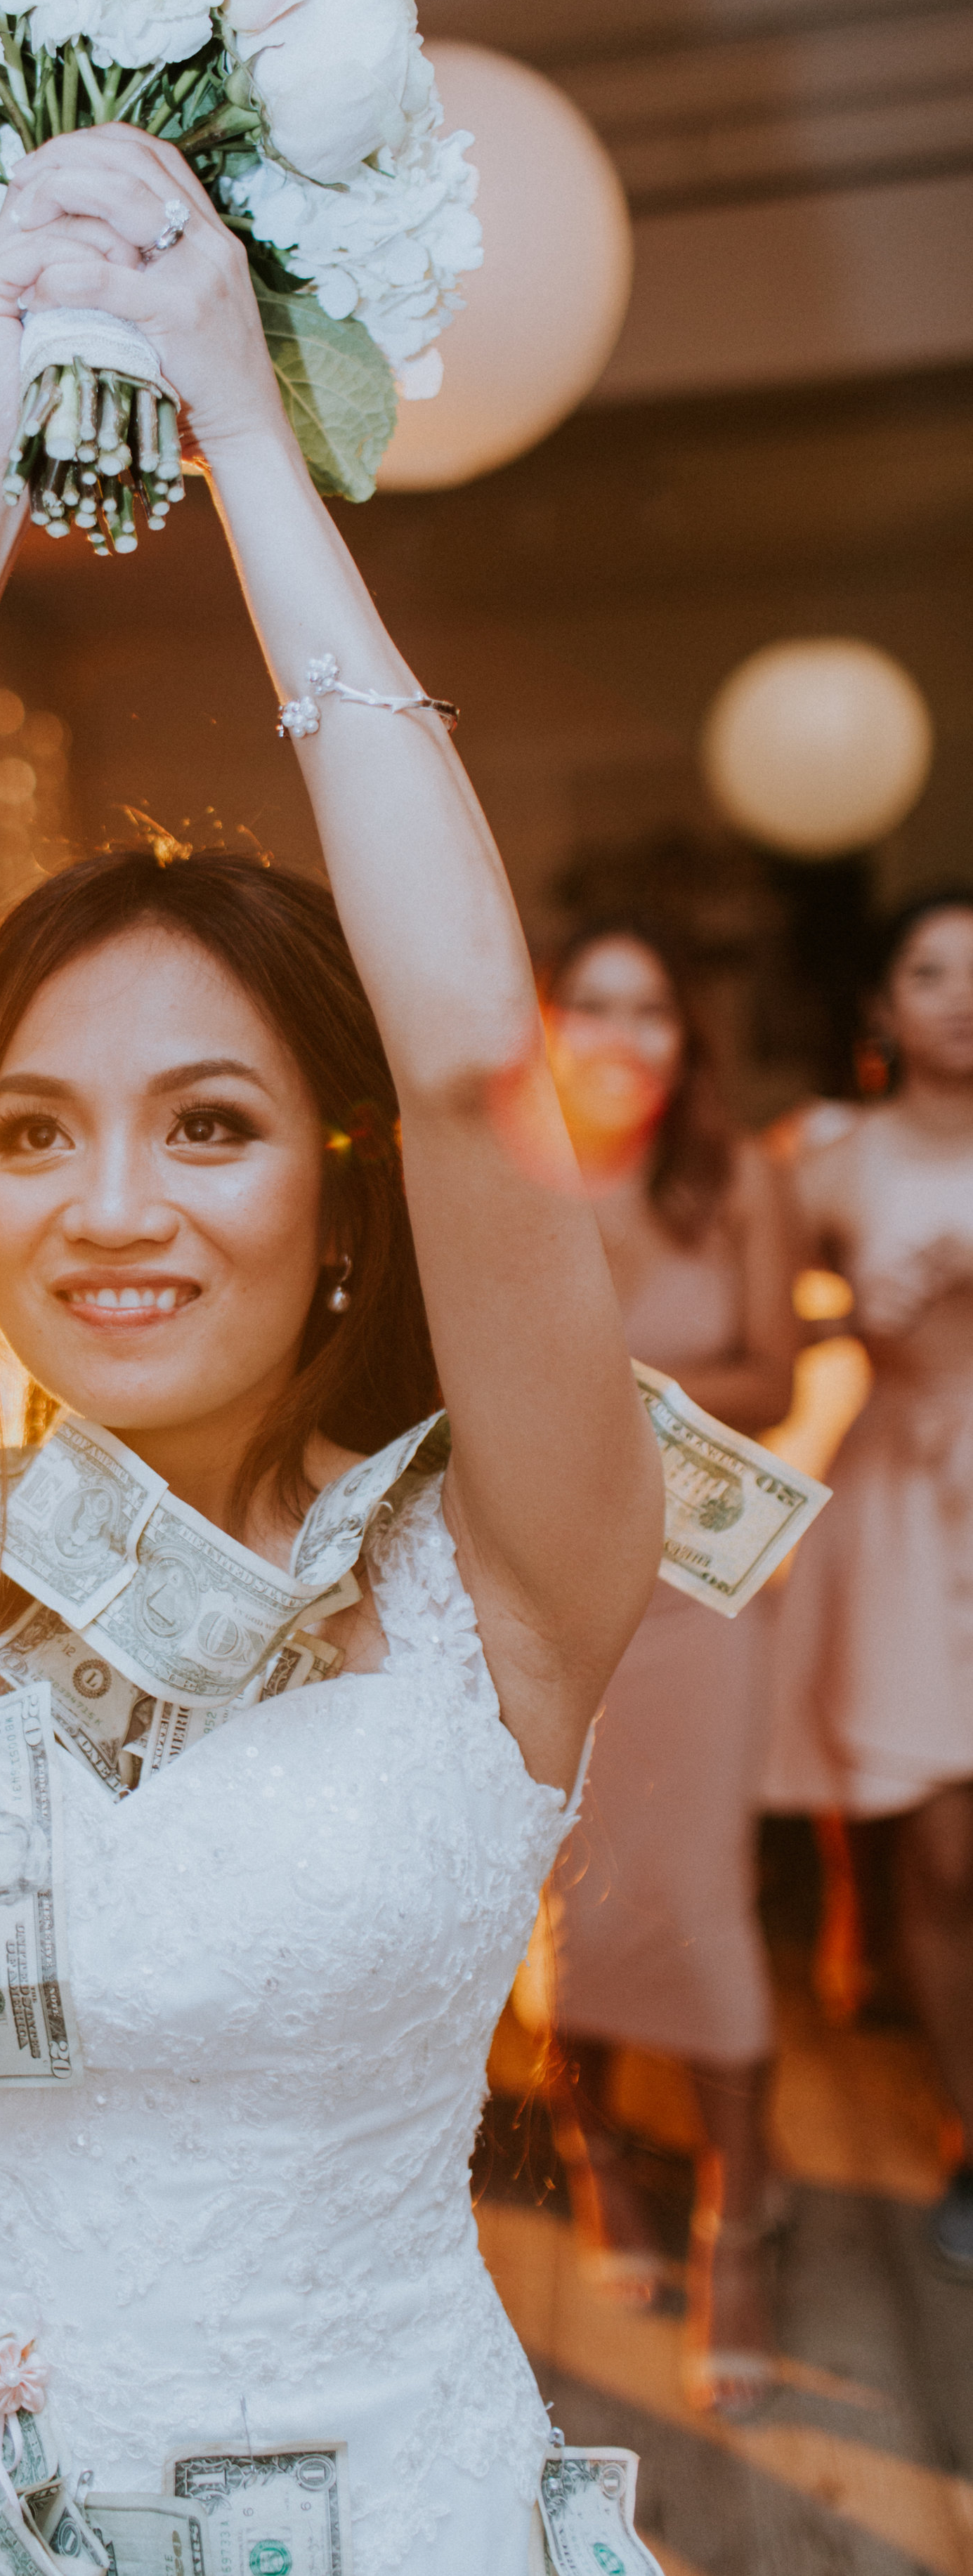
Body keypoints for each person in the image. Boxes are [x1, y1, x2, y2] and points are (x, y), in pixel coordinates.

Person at [0, 124, 661, 2575]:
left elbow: (477, 1067)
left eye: (207, 1124)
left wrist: (242, 422)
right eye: (34, 1134)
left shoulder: (508, 1576)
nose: (108, 1205)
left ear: (338, 1196)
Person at [536, 924, 797, 2419]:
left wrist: (620, 1391)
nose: (622, 1033)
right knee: (568, 1896)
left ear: (684, 1036)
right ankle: (595, 2163)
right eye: (593, 1003)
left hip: (698, 1600)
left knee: (702, 1897)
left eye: (650, 1008)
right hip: (549, 1587)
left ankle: (733, 2226)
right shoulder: (509, 1180)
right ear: (548, 1026)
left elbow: (773, 1371)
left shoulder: (737, 1180)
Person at [764, 889, 973, 2277]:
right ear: (883, 1007)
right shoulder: (830, 1156)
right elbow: (756, 1311)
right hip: (906, 1494)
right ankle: (970, 2133)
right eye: (931, 970)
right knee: (942, 1852)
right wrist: (857, 1315)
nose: (962, 994)